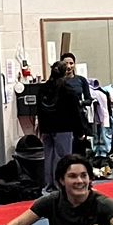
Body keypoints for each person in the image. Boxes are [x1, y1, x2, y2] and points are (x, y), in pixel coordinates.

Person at [34, 59, 89, 188]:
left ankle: (49, 184)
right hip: (63, 127)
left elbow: (39, 110)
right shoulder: (68, 89)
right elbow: (75, 112)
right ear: (65, 73)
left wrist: (41, 128)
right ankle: (59, 184)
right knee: (62, 157)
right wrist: (80, 131)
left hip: (47, 127)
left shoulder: (43, 88)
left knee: (48, 156)